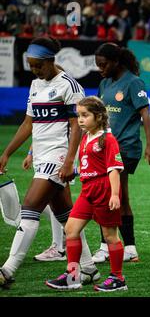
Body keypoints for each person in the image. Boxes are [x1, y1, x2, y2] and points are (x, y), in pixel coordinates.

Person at [0, 37, 99, 288]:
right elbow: (28, 123)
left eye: (38, 66)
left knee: (30, 208)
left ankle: (7, 270)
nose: (35, 71)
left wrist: (69, 161)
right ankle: (87, 269)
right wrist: (7, 152)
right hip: (42, 157)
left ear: (50, 61)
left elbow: (76, 126)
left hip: (58, 157)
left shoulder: (69, 86)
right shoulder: (35, 84)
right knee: (67, 216)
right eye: (31, 66)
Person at [46, 96, 128, 291]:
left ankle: (118, 279)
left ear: (98, 117)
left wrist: (115, 195)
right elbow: (88, 166)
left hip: (104, 190)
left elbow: (113, 169)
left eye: (85, 115)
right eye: (79, 115)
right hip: (87, 190)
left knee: (110, 237)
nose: (80, 119)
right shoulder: (85, 138)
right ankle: (73, 275)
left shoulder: (108, 139)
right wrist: (73, 172)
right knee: (71, 229)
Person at [92, 42, 150, 263]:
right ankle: (129, 248)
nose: (101, 69)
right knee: (120, 196)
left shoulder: (133, 82)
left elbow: (145, 113)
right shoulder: (104, 83)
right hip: (105, 147)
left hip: (125, 148)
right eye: (98, 66)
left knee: (110, 194)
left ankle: (106, 246)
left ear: (116, 62)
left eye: (103, 65)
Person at [22, 149, 66, 262]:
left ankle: (59, 246)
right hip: (43, 154)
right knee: (54, 201)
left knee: (48, 199)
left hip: (58, 155)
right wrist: (31, 153)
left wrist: (69, 160)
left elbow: (76, 132)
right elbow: (37, 131)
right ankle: (87, 266)